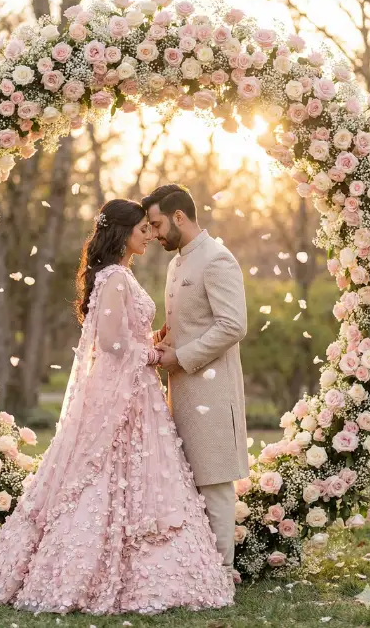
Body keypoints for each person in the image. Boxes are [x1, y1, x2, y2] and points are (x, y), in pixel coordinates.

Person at [0, 198, 234, 615]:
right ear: (124, 233)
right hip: (130, 391)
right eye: (142, 229)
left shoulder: (120, 276)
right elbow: (111, 343)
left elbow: (121, 334)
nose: (149, 234)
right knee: (113, 475)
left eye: (152, 227)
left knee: (140, 476)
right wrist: (150, 355)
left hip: (137, 390)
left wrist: (150, 339)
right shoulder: (114, 277)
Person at [141, 184, 250, 583]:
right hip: (180, 391)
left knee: (215, 480)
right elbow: (190, 322)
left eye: (156, 224)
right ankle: (196, 568)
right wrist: (159, 342)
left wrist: (182, 357)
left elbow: (233, 325)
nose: (153, 234)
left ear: (179, 217)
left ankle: (221, 573)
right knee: (188, 481)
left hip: (211, 390)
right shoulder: (176, 264)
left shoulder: (217, 260)